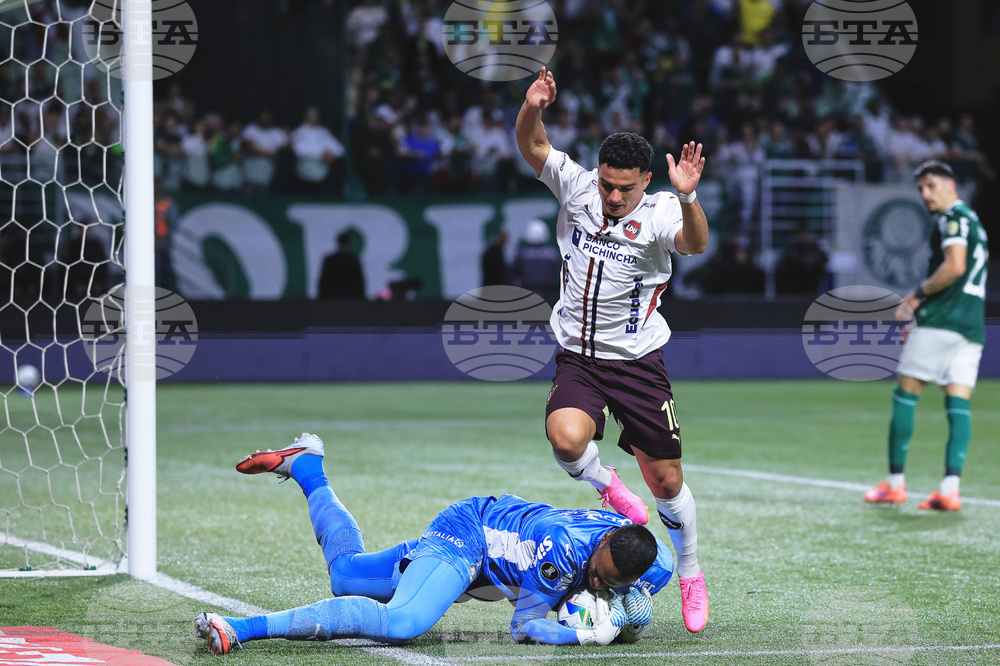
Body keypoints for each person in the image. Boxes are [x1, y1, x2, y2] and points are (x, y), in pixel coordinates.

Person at [515, 67, 710, 633]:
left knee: (668, 482)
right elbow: (532, 143)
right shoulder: (577, 188)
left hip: (638, 363)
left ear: (647, 181)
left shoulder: (662, 212)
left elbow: (694, 244)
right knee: (565, 437)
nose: (614, 195)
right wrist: (533, 107)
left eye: (626, 187)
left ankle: (691, 572)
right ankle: (610, 486)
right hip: (578, 356)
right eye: (607, 184)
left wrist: (690, 194)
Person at [194, 433, 666, 653]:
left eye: (611, 583)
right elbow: (525, 628)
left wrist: (629, 603)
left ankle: (306, 466)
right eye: (598, 574)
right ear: (606, 541)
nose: (597, 583)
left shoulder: (648, 557)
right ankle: (241, 628)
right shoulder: (563, 552)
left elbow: (663, 567)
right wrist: (587, 633)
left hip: (495, 558)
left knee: (345, 576)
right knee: (403, 623)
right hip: (469, 538)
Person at [864, 161, 989, 511]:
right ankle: (950, 489)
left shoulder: (951, 218)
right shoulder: (974, 220)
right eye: (921, 189)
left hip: (942, 320)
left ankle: (894, 484)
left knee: (905, 394)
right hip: (971, 326)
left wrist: (917, 296)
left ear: (951, 185)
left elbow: (955, 266)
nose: (925, 194)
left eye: (931, 186)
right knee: (957, 403)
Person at [510, 219, 561, 303]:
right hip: (549, 296)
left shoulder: (522, 253)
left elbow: (514, 274)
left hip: (526, 295)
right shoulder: (552, 253)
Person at [318, 231, 366, 299]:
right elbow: (360, 283)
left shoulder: (329, 260)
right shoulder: (354, 261)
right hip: (350, 300)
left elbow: (323, 282)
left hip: (331, 300)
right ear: (349, 243)